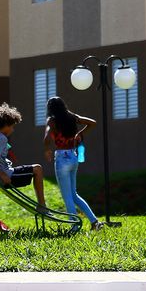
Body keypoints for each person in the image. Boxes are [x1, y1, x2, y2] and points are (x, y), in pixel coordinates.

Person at [43, 96, 102, 230]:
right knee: (74, 195)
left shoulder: (52, 121)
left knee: (67, 196)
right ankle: (94, 222)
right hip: (73, 156)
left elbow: (46, 138)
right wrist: (79, 134)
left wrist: (47, 150)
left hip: (62, 158)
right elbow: (92, 122)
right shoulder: (72, 117)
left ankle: (74, 225)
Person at [0, 103, 47, 208]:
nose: (13, 130)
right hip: (4, 176)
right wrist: (2, 174)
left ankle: (42, 205)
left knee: (36, 168)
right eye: (12, 126)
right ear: (6, 125)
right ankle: (42, 205)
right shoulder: (1, 138)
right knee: (38, 169)